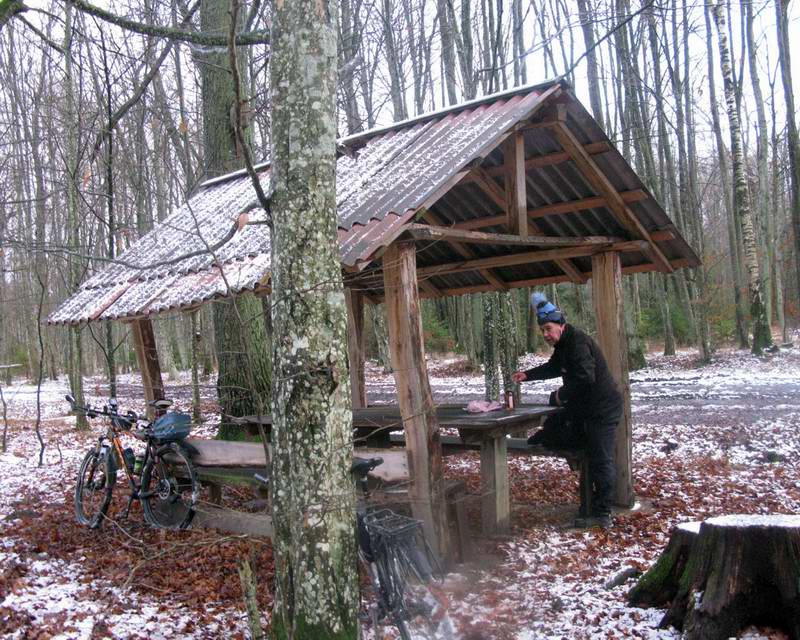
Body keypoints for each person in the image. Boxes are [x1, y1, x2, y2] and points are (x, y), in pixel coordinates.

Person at [511, 292, 623, 529]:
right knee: (559, 435)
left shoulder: (578, 342)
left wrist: (561, 395)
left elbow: (585, 377)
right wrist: (528, 375)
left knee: (600, 460)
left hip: (602, 409)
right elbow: (554, 367)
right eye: (542, 330)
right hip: (585, 407)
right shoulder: (563, 344)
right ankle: (587, 506)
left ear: (561, 325)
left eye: (549, 329)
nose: (545, 335)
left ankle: (602, 514)